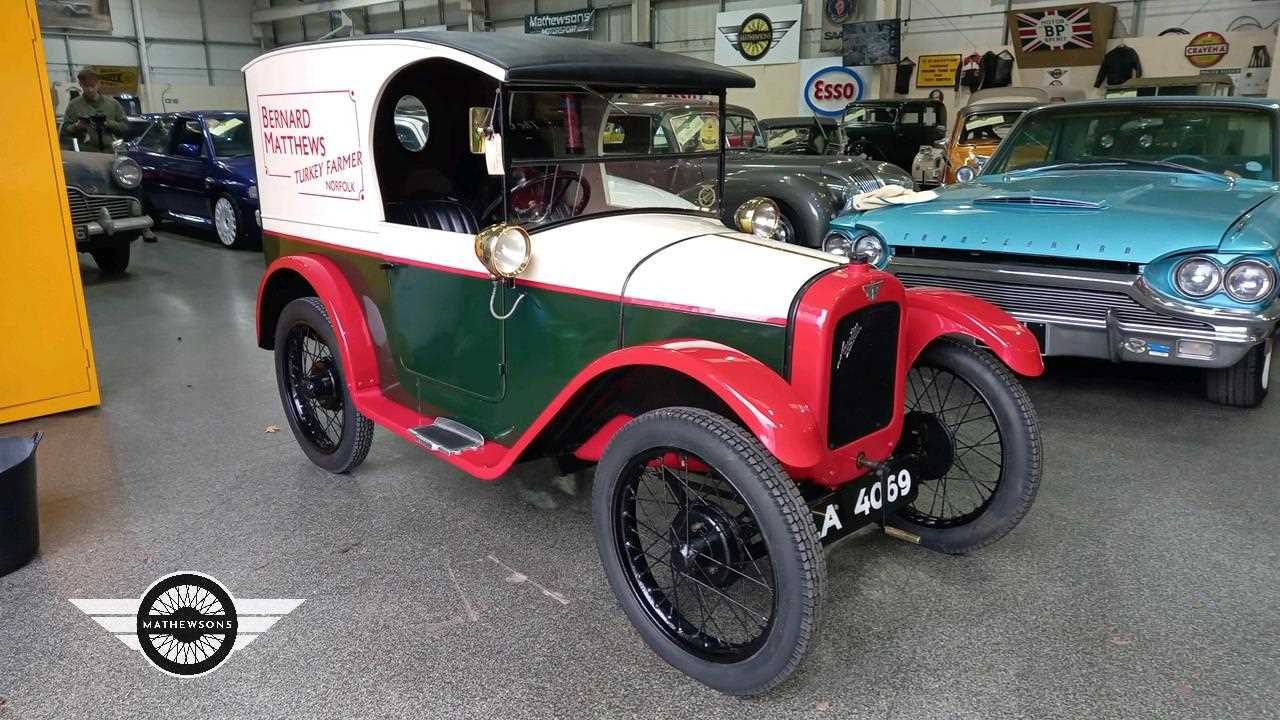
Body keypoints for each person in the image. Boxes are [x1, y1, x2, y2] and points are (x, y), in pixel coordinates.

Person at [60, 67, 127, 152]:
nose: (90, 90)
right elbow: (65, 131)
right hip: (87, 153)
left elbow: (125, 127)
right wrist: (77, 126)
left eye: (92, 86)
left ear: (98, 84)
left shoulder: (113, 104)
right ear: (80, 85)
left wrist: (109, 123)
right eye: (86, 87)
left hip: (111, 152)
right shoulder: (74, 105)